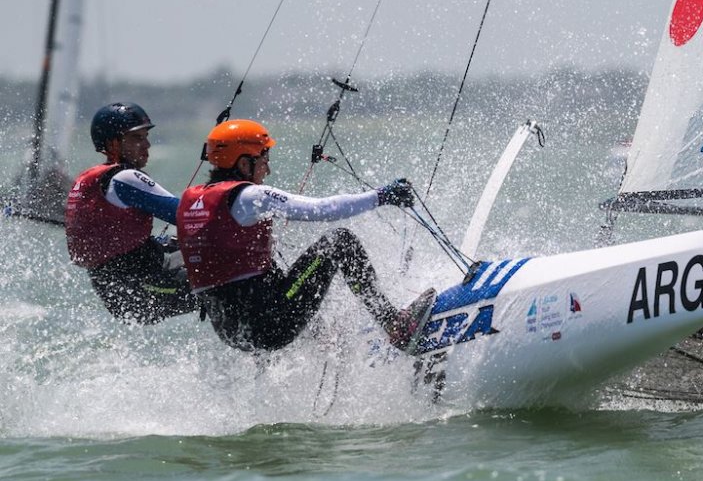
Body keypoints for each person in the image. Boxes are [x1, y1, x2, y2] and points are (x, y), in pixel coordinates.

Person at [176, 119, 435, 354]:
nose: (268, 170)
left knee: (273, 272)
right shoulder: (249, 197)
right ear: (244, 164)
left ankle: (328, 341)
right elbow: (322, 209)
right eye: (264, 160)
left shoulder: (189, 202)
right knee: (339, 242)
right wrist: (382, 196)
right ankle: (394, 325)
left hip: (232, 332)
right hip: (269, 324)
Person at [65, 102, 199, 324]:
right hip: (140, 287)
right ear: (113, 143)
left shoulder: (91, 179)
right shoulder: (124, 178)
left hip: (117, 289)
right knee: (232, 278)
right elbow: (190, 216)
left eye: (146, 137)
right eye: (137, 138)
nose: (147, 145)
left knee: (203, 250)